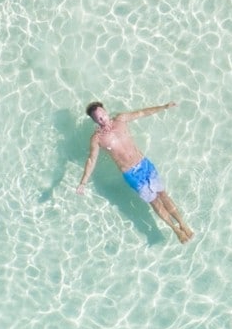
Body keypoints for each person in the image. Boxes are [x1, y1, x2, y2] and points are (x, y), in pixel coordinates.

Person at [77, 101, 194, 243]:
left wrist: (163, 107)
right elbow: (91, 160)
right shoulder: (97, 139)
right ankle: (175, 230)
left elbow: (142, 112)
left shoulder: (121, 119)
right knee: (155, 202)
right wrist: (83, 182)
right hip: (131, 174)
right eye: (98, 118)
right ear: (94, 121)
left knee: (163, 194)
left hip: (145, 165)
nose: (103, 119)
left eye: (103, 115)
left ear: (106, 111)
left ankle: (183, 224)